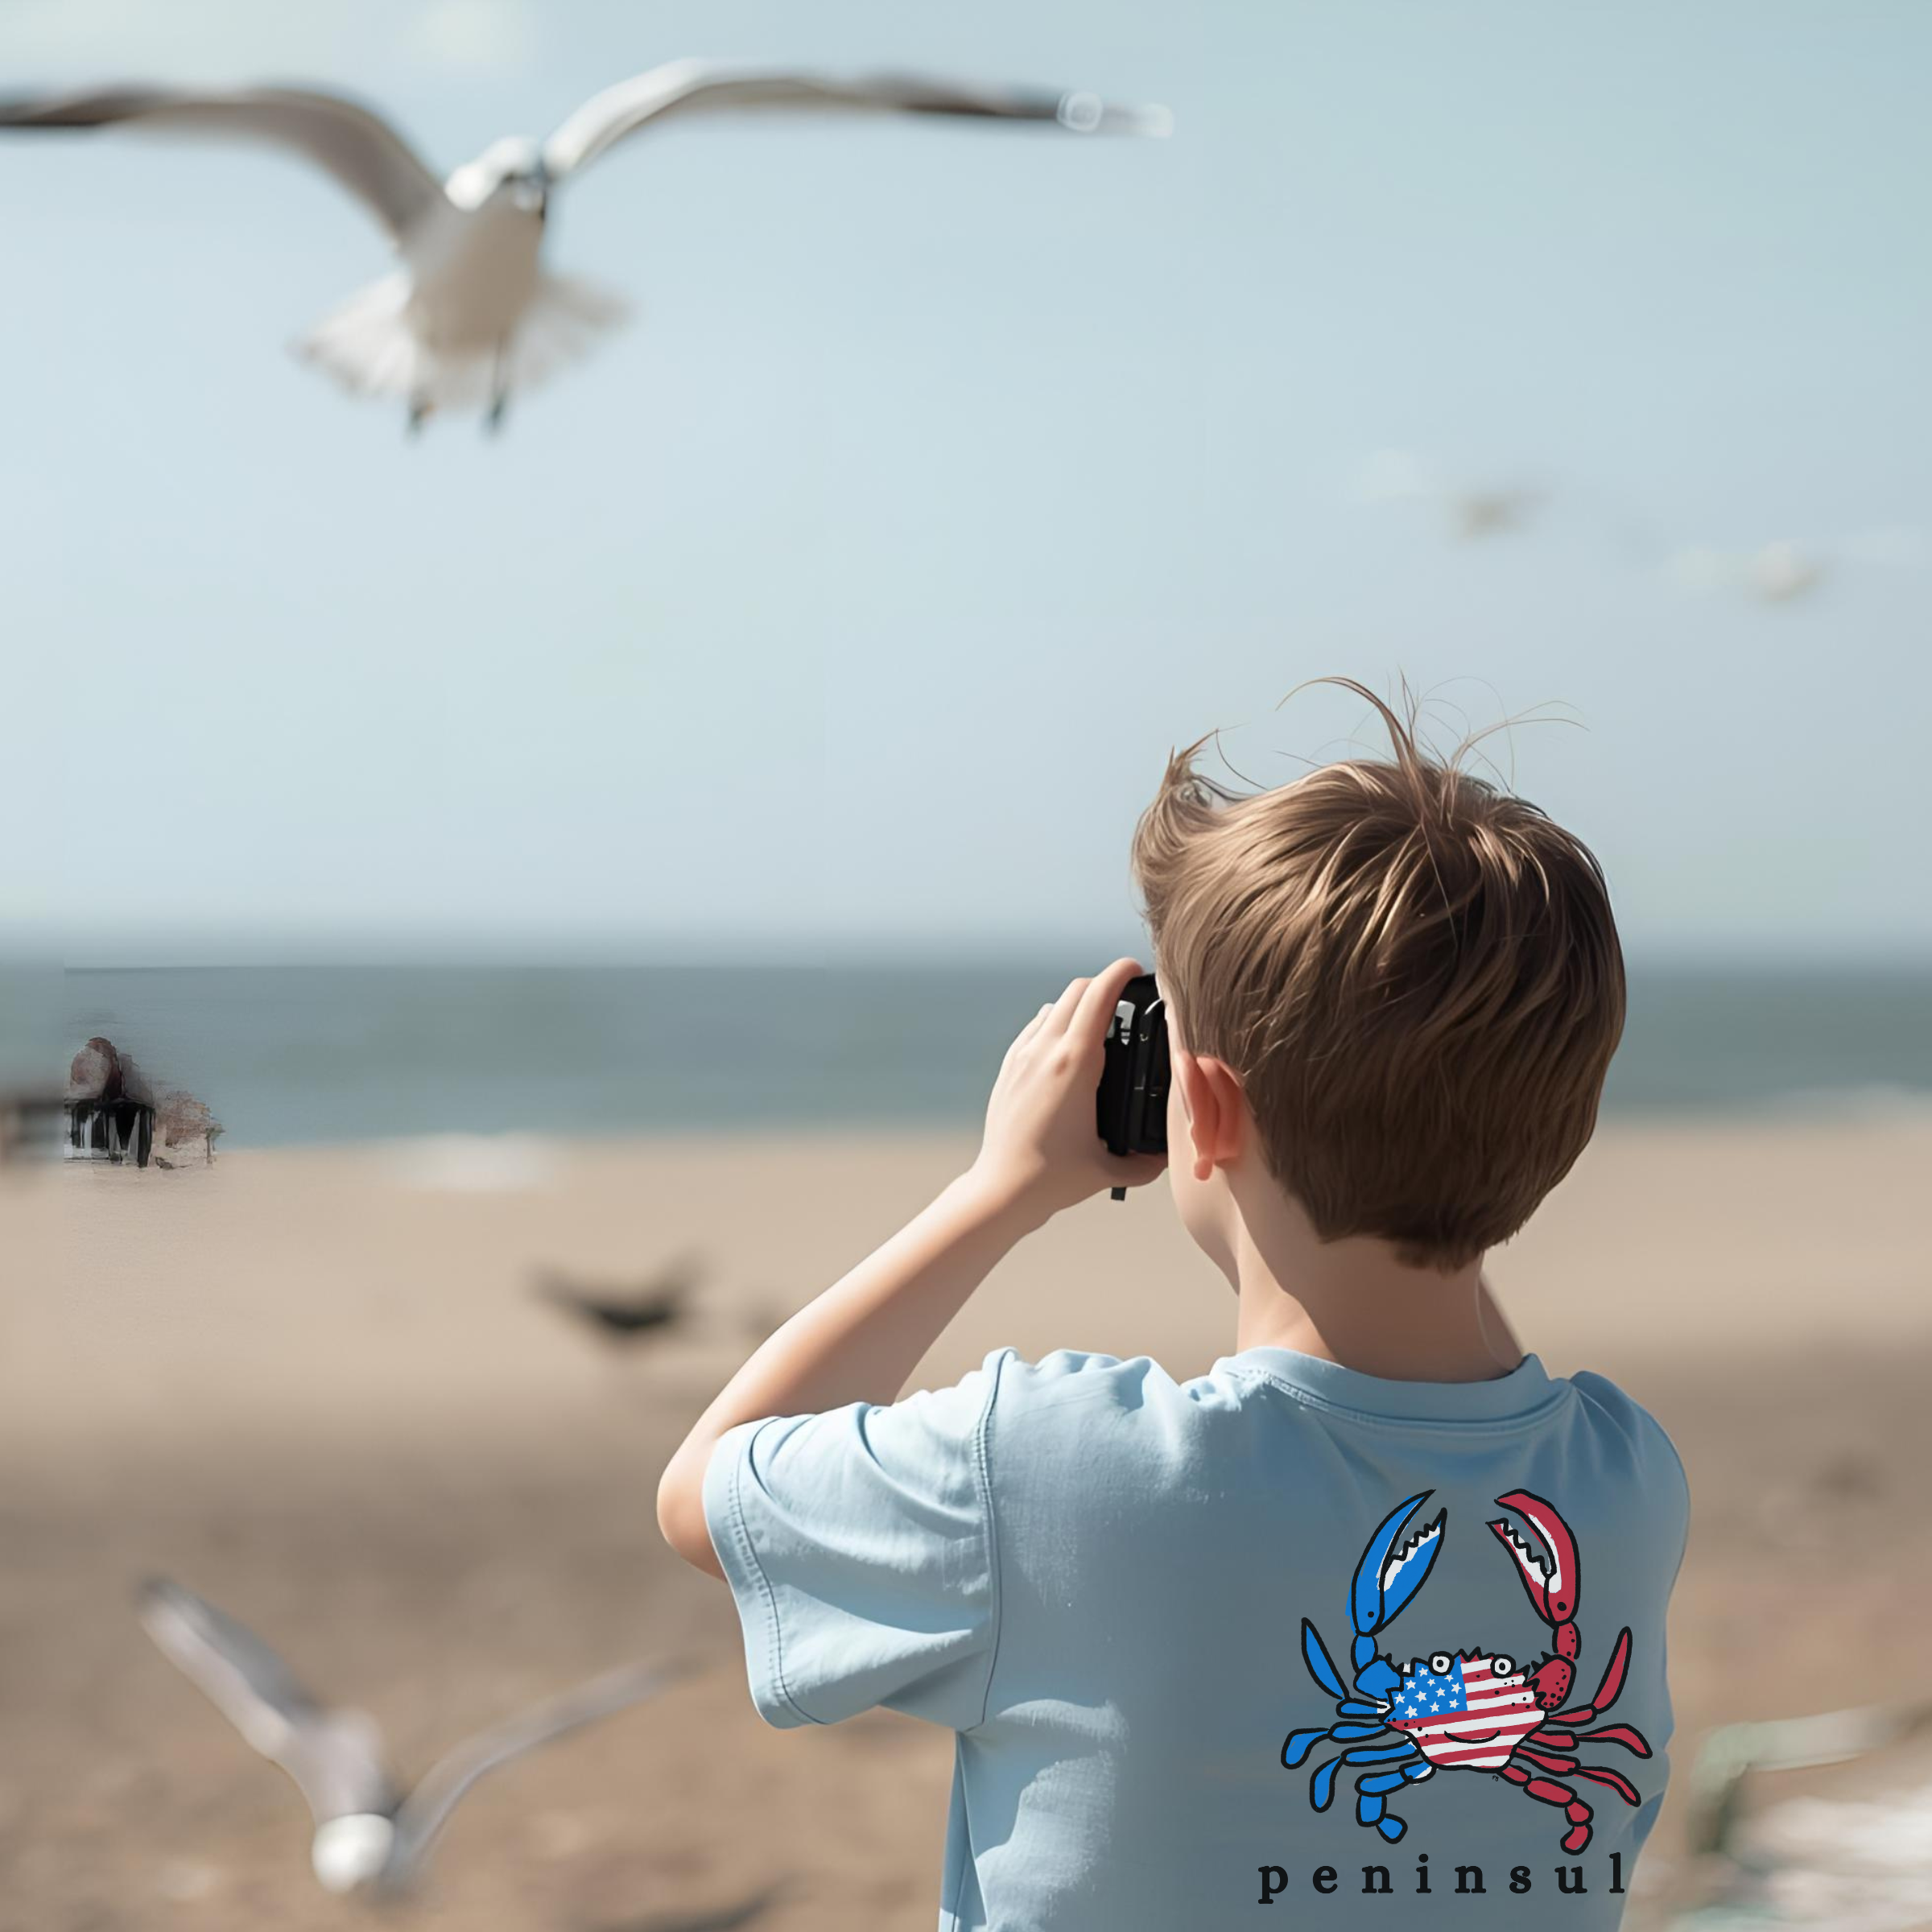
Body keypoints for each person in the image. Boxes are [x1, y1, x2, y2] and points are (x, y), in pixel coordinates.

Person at [657, 678, 1690, 1930]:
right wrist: (1466, 1136)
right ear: (1565, 1123)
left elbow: (708, 1488)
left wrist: (1001, 1188)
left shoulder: (1057, 1470)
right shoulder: (1626, 1481)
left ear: (1192, 1107)